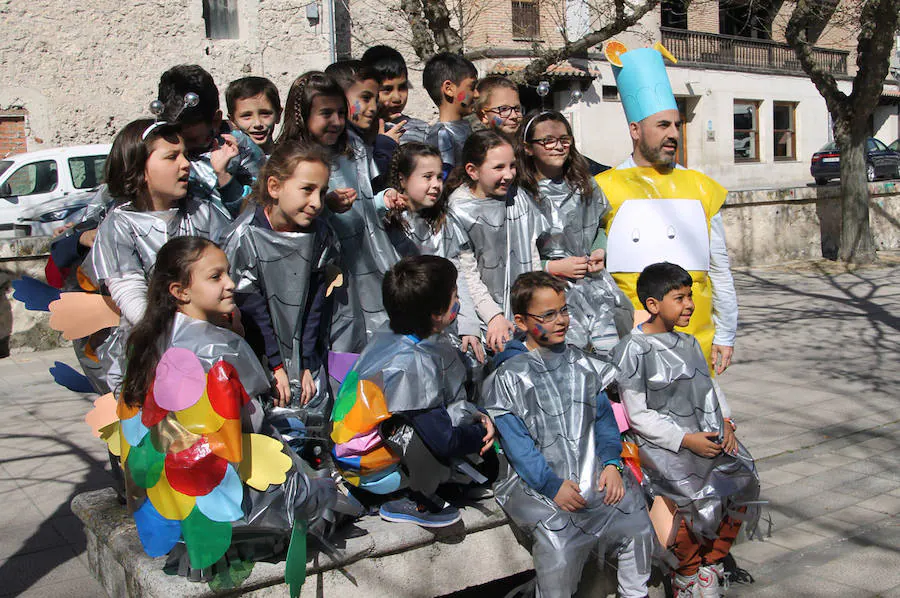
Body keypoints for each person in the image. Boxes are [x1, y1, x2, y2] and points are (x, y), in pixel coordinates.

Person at [116, 236, 337, 580]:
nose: (231, 284)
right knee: (326, 495)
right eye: (216, 276)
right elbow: (252, 425)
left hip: (168, 495)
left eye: (228, 273)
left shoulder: (148, 337)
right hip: (224, 490)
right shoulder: (219, 347)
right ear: (180, 291)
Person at [483, 271, 655, 598]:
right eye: (548, 315)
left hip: (595, 470)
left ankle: (636, 593)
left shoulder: (583, 363)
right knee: (557, 544)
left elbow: (603, 420)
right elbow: (519, 447)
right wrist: (552, 486)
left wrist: (611, 464)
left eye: (563, 310)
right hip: (539, 482)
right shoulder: (508, 376)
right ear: (520, 321)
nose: (560, 320)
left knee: (635, 521)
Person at [609, 262, 760, 598]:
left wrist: (726, 422)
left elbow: (710, 388)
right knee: (691, 494)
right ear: (653, 305)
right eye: (679, 298)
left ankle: (711, 563)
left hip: (702, 435)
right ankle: (687, 571)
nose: (690, 304)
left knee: (743, 476)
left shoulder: (689, 342)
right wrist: (685, 440)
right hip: (659, 445)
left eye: (689, 296)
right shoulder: (633, 350)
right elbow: (639, 416)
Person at [595, 44, 737, 373]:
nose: (673, 133)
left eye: (676, 125)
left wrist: (726, 334)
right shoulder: (602, 188)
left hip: (698, 344)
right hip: (632, 343)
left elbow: (720, 269)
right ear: (635, 130)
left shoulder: (701, 186)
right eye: (662, 125)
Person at [330, 256, 495, 527]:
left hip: (350, 450)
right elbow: (443, 439)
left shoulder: (394, 331)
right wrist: (479, 432)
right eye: (454, 295)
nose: (458, 302)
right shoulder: (413, 361)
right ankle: (416, 499)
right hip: (366, 465)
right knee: (445, 432)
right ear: (435, 313)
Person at [87, 119, 231, 391]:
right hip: (151, 352)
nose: (185, 164)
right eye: (171, 157)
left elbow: (229, 265)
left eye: (186, 155)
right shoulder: (120, 224)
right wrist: (171, 336)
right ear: (139, 169)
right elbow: (129, 292)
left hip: (209, 344)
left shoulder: (203, 212)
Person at [223, 141, 339, 440]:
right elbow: (251, 307)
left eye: (322, 192)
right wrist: (276, 364)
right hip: (259, 351)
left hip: (299, 351)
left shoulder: (320, 233)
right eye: (307, 190)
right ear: (274, 187)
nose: (316, 202)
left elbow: (315, 300)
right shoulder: (246, 235)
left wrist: (306, 362)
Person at [277, 71, 389, 353]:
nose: (337, 121)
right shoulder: (289, 159)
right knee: (337, 343)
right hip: (319, 274)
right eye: (326, 113)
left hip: (365, 261)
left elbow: (365, 204)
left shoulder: (352, 148)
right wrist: (325, 206)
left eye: (341, 112)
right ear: (302, 114)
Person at [516, 110, 633, 356]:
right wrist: (552, 267)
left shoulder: (585, 185)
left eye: (564, 140)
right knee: (566, 357)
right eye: (548, 140)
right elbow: (515, 253)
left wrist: (598, 250)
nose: (558, 146)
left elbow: (599, 224)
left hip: (593, 289)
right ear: (528, 148)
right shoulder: (520, 194)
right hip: (548, 296)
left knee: (609, 354)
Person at [446, 129, 540, 353]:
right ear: (473, 171)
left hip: (525, 309)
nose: (508, 174)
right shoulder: (459, 210)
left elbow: (531, 250)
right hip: (484, 320)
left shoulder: (518, 197)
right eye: (499, 167)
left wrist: (538, 297)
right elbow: (466, 274)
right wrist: (494, 315)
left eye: (512, 166)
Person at [157, 64, 264, 219]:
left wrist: (224, 176)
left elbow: (259, 212)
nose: (185, 160)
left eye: (191, 140)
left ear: (215, 120)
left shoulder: (240, 149)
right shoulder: (152, 149)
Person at [325, 60, 400, 193]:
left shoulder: (358, 142)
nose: (373, 107)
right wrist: (384, 144)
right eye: (365, 98)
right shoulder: (330, 143)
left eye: (376, 100)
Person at [361, 44, 429, 144]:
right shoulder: (356, 134)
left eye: (402, 87)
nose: (397, 98)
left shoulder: (421, 131)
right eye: (387, 90)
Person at [423, 52, 478, 177]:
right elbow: (445, 180)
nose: (476, 94)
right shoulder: (441, 134)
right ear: (449, 89)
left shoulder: (465, 126)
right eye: (471, 87)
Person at [225, 75, 282, 157]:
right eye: (246, 116)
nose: (257, 124)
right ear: (232, 120)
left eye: (265, 114)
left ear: (278, 115)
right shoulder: (228, 162)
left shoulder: (289, 161)